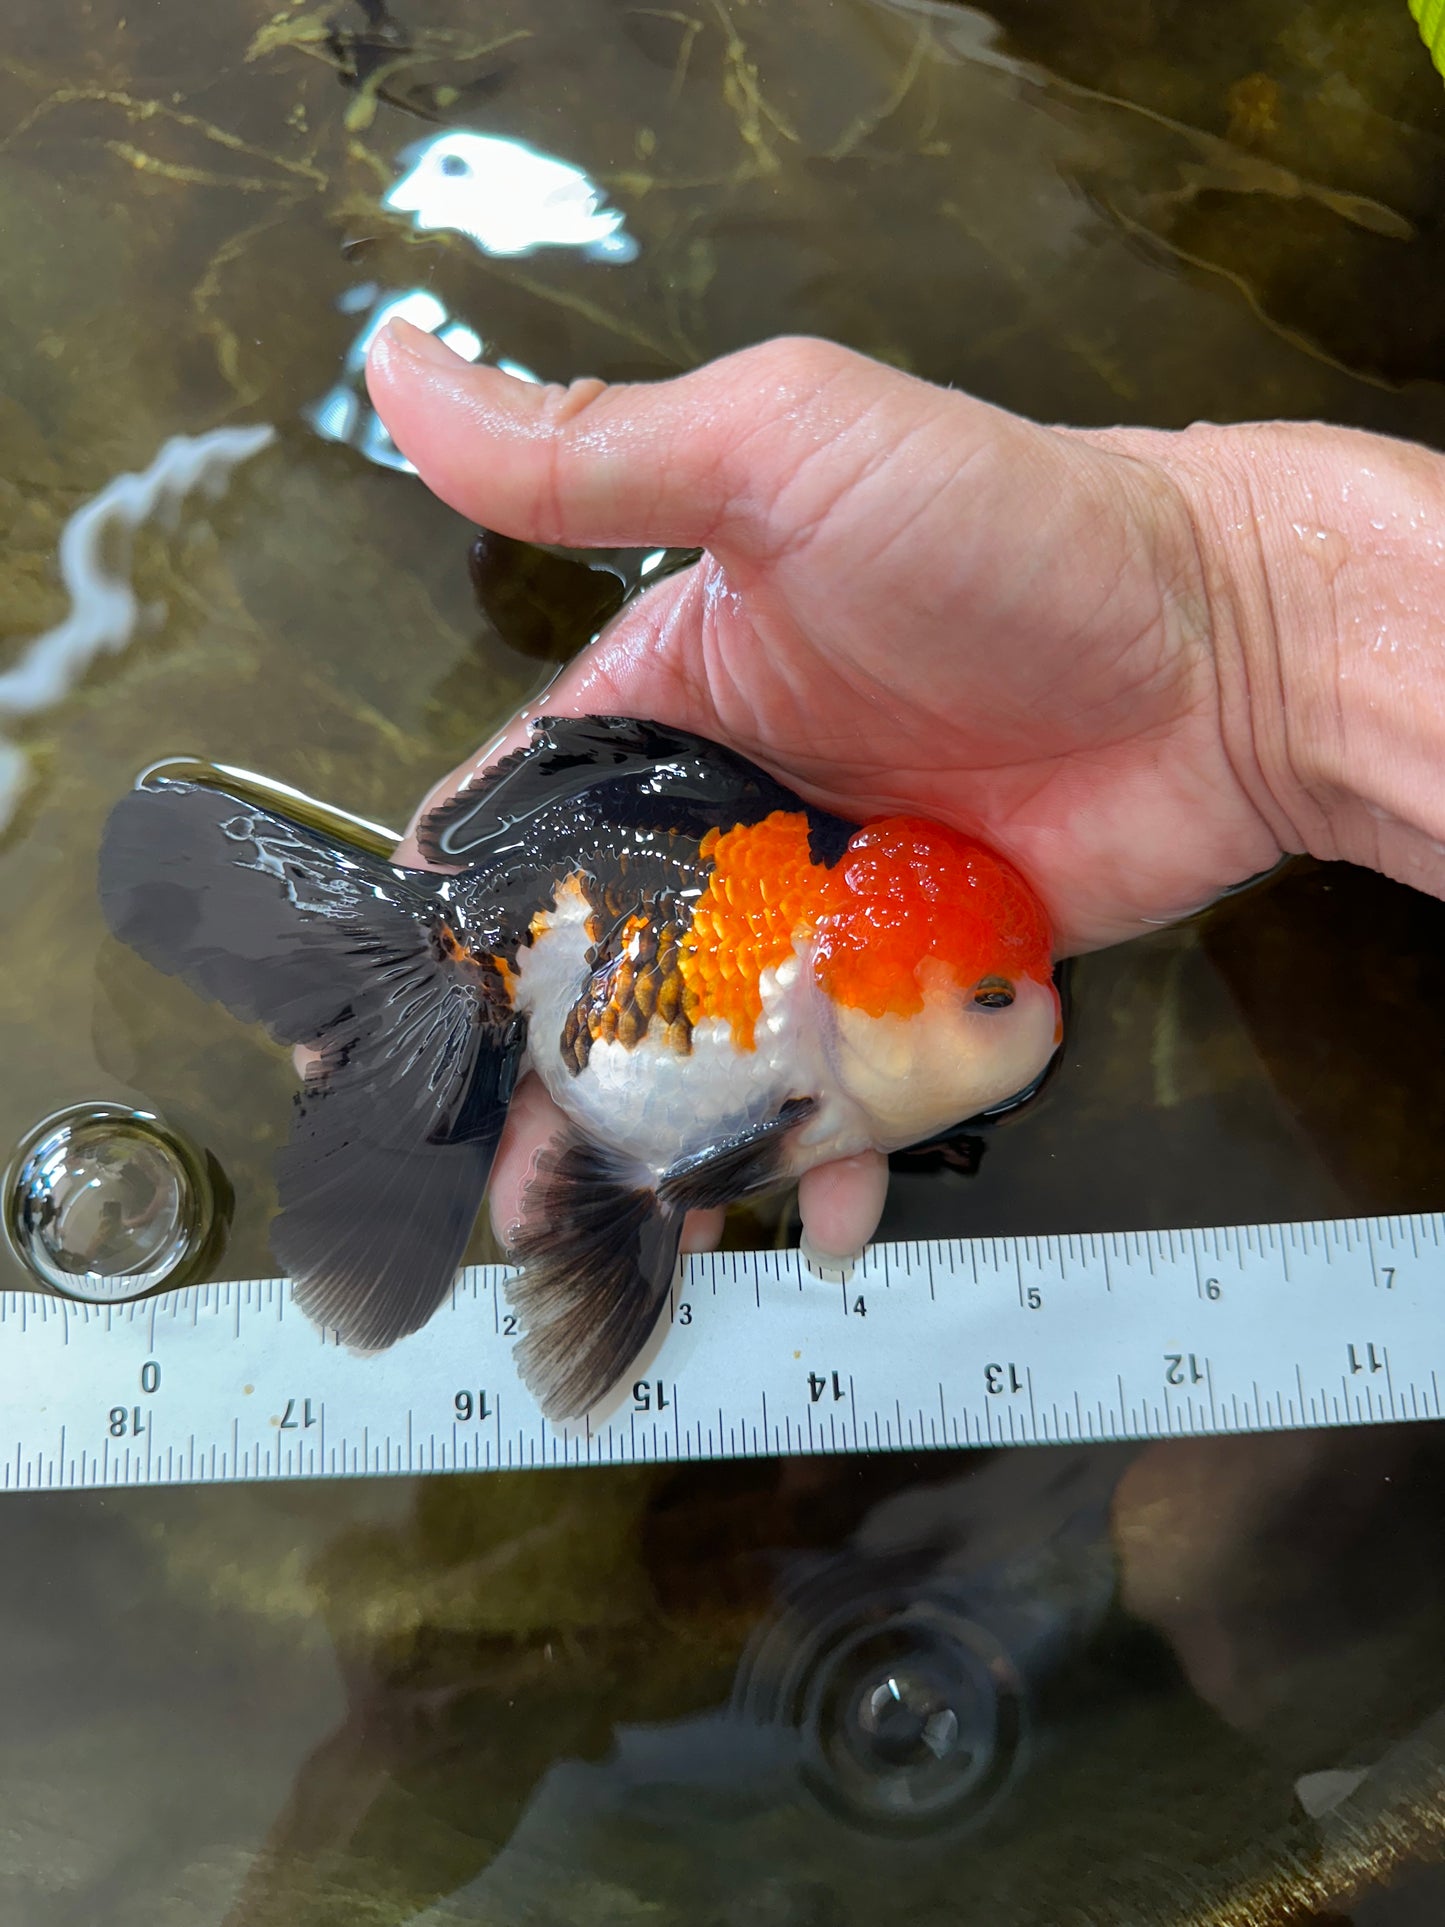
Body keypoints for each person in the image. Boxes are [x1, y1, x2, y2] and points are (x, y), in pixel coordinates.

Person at [366, 320, 1445, 1264]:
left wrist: (1244, 626)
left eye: (996, 992)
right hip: (576, 917)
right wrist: (1248, 636)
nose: (1039, 1010)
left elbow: (696, 1165)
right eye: (985, 996)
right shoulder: (803, 1042)